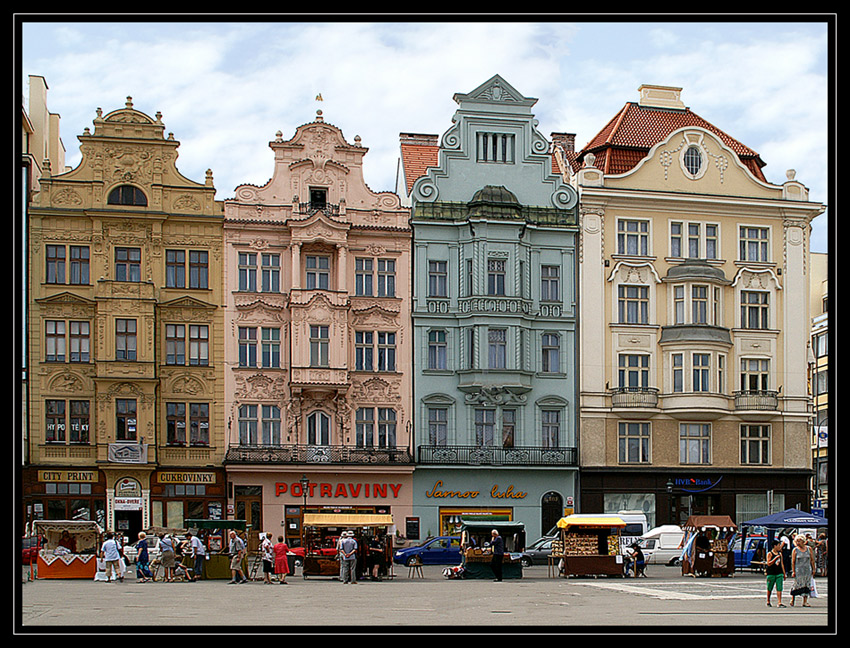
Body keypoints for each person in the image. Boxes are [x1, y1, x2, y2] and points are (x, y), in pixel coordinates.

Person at [790, 534, 815, 607]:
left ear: (803, 541)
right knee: (796, 584)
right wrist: (793, 571)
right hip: (798, 570)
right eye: (797, 541)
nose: (798, 543)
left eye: (799, 541)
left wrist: (813, 569)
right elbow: (793, 561)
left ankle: (805, 601)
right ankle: (792, 599)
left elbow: (812, 560)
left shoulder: (809, 548)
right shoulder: (795, 550)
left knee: (807, 584)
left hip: (807, 569)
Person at [765, 540, 786, 607]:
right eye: (779, 545)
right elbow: (768, 563)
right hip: (771, 573)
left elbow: (782, 564)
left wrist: (784, 573)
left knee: (779, 587)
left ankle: (779, 602)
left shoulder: (780, 554)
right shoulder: (770, 553)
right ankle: (768, 600)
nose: (780, 547)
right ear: (775, 546)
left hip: (779, 573)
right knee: (769, 587)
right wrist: (775, 558)